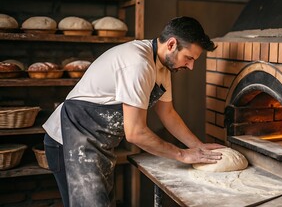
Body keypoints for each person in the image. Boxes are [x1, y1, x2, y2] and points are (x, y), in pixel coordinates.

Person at [42, 16, 224, 207]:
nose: (191, 66)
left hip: (95, 144)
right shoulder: (138, 64)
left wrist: (198, 147)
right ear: (171, 44)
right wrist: (183, 155)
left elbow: (167, 113)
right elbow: (135, 133)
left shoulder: (162, 68)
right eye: (189, 58)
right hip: (68, 139)